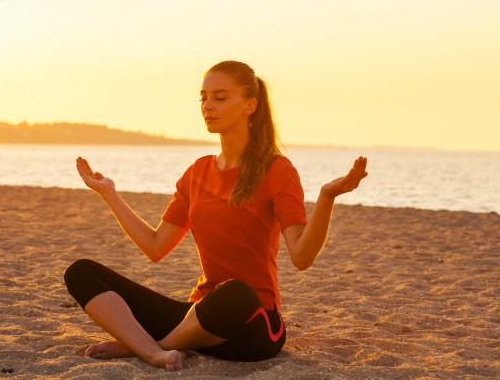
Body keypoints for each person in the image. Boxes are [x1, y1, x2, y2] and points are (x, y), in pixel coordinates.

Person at [64, 60, 368, 371]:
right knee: (81, 271)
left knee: (234, 292)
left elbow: (302, 257)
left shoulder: (277, 170)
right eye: (204, 97)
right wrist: (109, 194)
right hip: (198, 319)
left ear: (249, 106)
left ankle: (150, 349)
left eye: (220, 97)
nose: (208, 106)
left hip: (252, 325)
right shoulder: (197, 172)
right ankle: (156, 350)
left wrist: (327, 197)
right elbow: (156, 246)